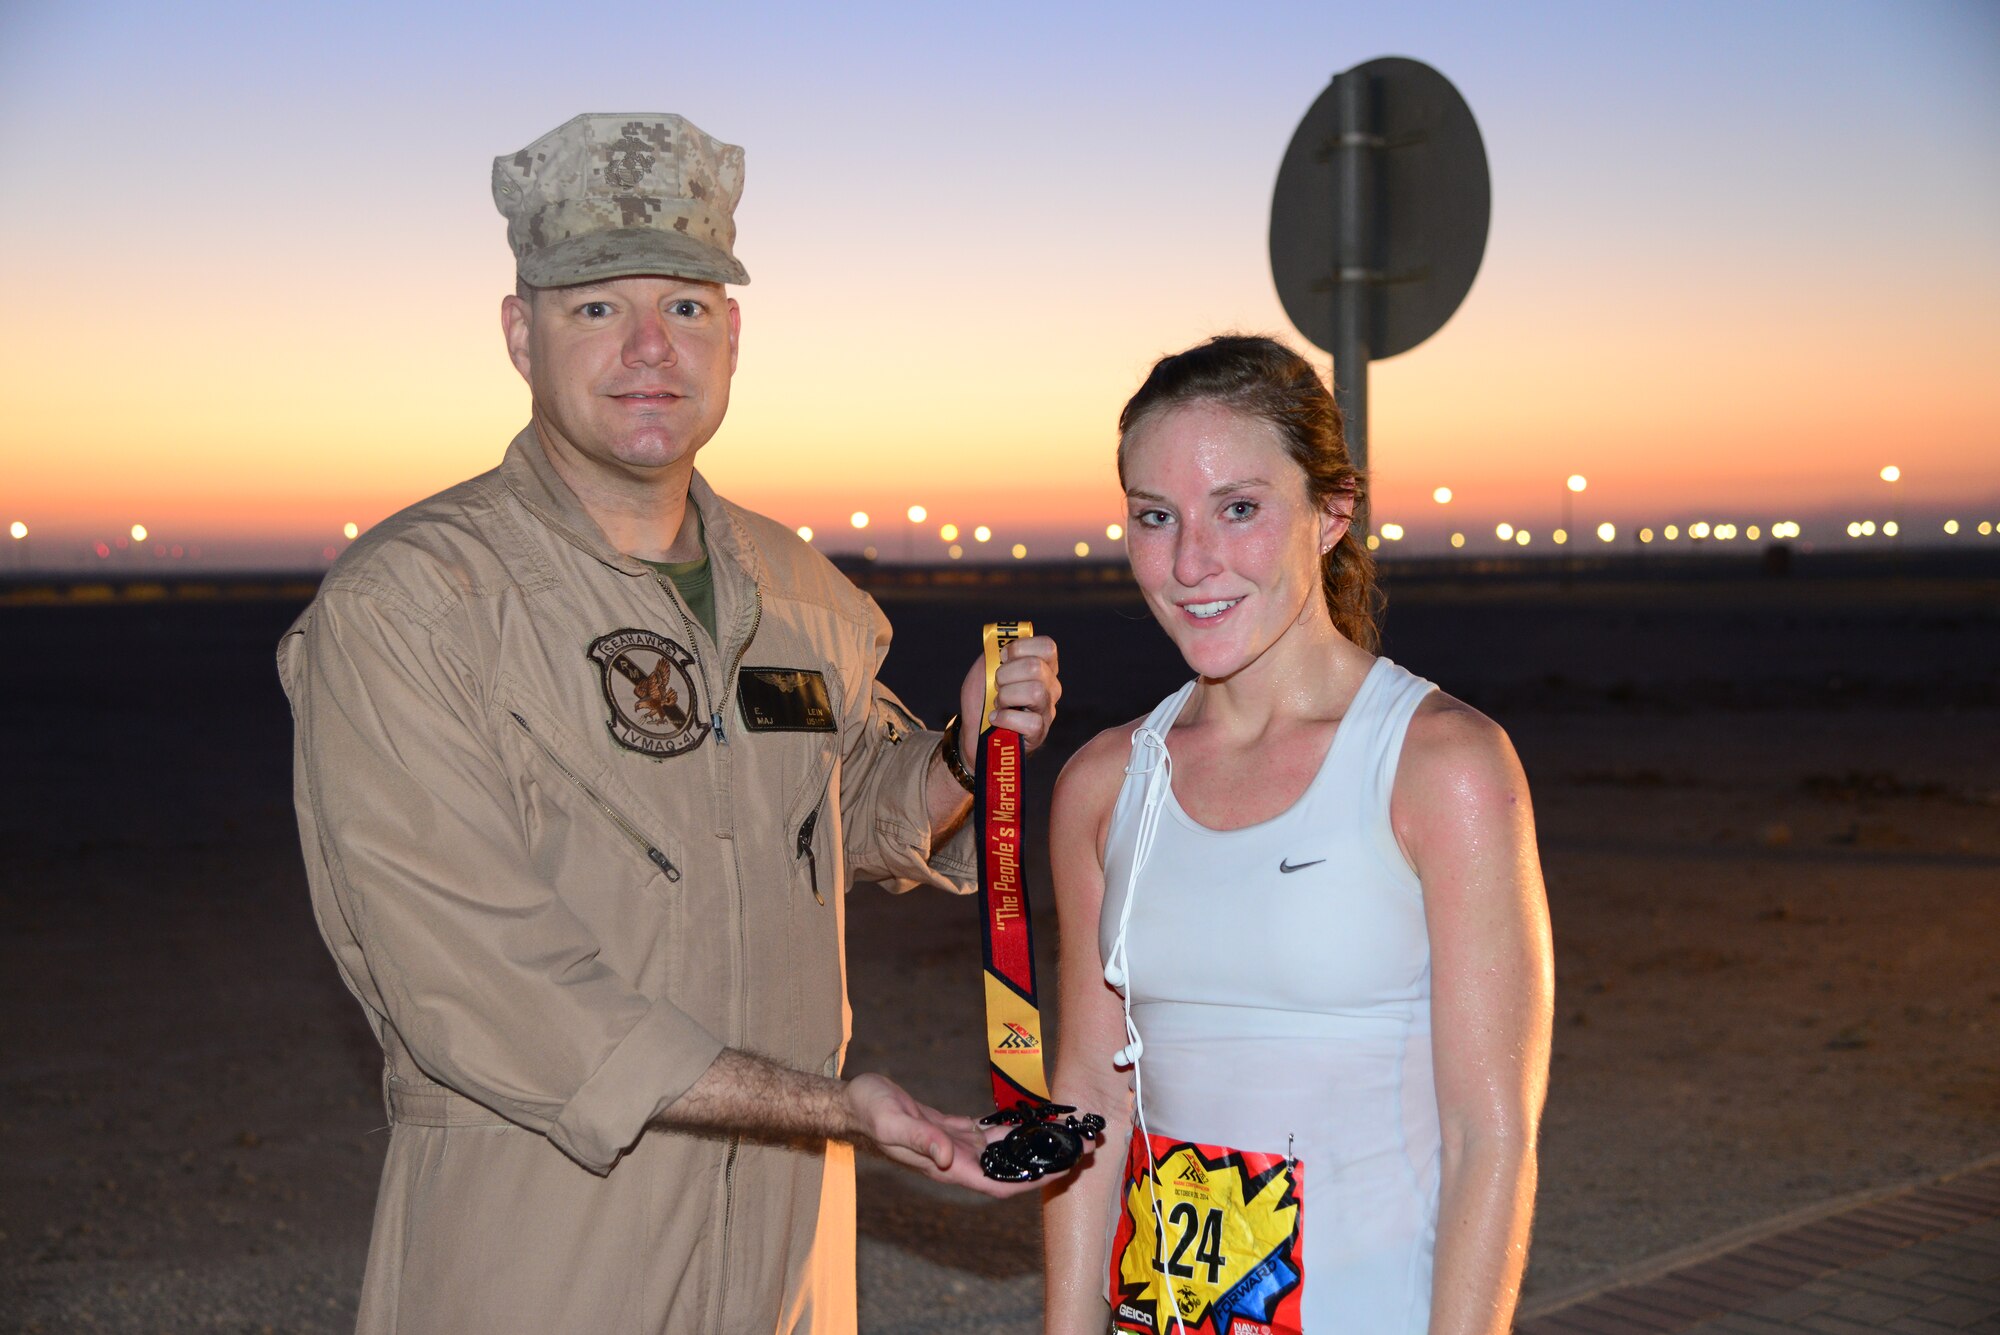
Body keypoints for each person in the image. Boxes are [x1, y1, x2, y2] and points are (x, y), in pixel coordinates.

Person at [278, 112, 1062, 1335]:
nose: (650, 348)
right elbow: (487, 988)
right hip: (545, 1234)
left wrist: (960, 756)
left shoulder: (800, 593)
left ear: (735, 334)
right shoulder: (415, 609)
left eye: (687, 306)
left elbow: (842, 809)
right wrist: (835, 1112)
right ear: (516, 333)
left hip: (786, 1254)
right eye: (595, 306)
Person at [1040, 335, 1552, 1334]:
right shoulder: (1106, 783)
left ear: (1329, 514)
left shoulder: (1438, 766)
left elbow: (1489, 1134)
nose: (1191, 563)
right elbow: (1088, 1096)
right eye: (1155, 517)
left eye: (1238, 509)